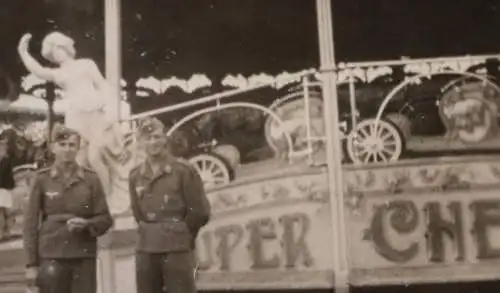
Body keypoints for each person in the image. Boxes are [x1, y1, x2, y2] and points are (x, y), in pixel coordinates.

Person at [17, 31, 119, 197]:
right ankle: (83, 200)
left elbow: (103, 85)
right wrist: (23, 53)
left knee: (95, 157)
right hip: (75, 118)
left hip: (93, 114)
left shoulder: (87, 64)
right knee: (79, 162)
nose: (57, 53)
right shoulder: (58, 73)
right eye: (52, 52)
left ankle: (108, 199)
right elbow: (39, 71)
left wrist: (110, 110)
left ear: (65, 46)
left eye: (58, 47)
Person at [23, 124, 114, 293]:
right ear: (53, 147)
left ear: (78, 148)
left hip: (82, 256)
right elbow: (30, 225)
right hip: (51, 256)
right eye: (62, 145)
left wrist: (87, 224)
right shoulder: (42, 179)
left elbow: (105, 219)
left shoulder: (91, 179)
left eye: (72, 145)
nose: (67, 149)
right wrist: (31, 264)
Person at [129, 117, 211, 293]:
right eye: (148, 138)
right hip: (147, 248)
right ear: (141, 142)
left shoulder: (182, 170)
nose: (153, 142)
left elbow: (199, 212)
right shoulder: (135, 175)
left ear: (165, 139)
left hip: (177, 247)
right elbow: (138, 213)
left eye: (157, 137)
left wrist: (181, 234)